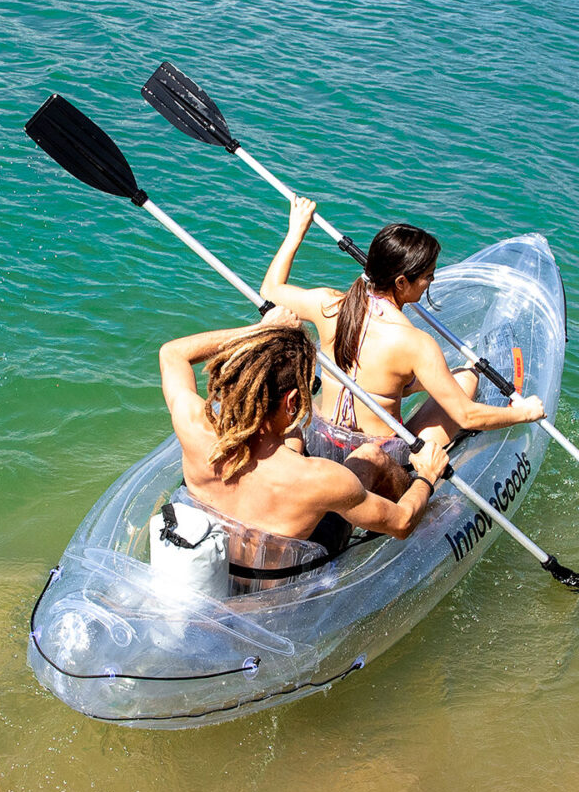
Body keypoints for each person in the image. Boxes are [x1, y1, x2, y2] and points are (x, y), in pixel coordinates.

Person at [259, 197, 546, 464]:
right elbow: (466, 416)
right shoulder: (415, 343)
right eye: (428, 276)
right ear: (400, 283)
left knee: (429, 380)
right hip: (376, 458)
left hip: (318, 438)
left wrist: (296, 231)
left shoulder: (329, 305)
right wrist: (524, 413)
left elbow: (270, 290)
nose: (432, 281)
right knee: (467, 379)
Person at [158, 307, 449, 556]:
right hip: (282, 580)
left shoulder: (193, 424)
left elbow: (172, 353)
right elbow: (401, 524)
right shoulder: (320, 479)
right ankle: (420, 499)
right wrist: (427, 477)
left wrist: (261, 331)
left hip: (219, 557)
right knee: (371, 456)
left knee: (294, 436)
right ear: (291, 401)